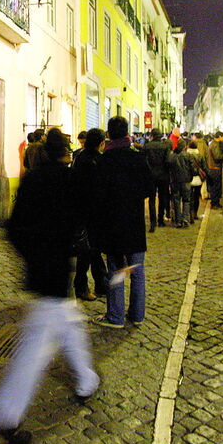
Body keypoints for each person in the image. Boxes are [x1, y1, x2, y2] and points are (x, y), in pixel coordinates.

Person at [0, 129, 100, 444]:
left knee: (71, 324)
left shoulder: (32, 180)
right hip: (54, 272)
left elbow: (13, 230)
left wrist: (32, 257)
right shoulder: (67, 181)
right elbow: (81, 219)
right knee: (35, 348)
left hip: (42, 271)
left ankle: (86, 379)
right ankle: (7, 414)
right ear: (65, 153)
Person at [92, 116, 152, 329]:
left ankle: (116, 316)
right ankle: (137, 315)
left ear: (108, 134)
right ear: (127, 133)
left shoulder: (104, 161)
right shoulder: (138, 157)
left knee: (116, 269)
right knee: (137, 270)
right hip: (134, 222)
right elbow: (148, 189)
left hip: (113, 224)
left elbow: (98, 194)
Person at [72, 128, 108, 299]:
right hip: (91, 212)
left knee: (91, 250)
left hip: (82, 210)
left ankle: (100, 284)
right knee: (87, 252)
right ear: (101, 143)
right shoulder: (97, 161)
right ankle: (83, 286)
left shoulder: (79, 157)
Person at [144, 128, 172, 231]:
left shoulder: (147, 147)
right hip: (163, 175)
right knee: (162, 197)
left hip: (151, 175)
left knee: (151, 199)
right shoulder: (165, 147)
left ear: (152, 135)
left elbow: (144, 161)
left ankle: (152, 222)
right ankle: (160, 220)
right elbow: (168, 161)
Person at [186, 140, 206, 223]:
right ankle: (195, 214)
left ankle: (189, 214)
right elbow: (204, 166)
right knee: (196, 197)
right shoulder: (200, 155)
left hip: (188, 178)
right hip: (198, 178)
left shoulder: (186, 155)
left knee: (189, 197)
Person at [206, 133, 223, 208]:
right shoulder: (215, 144)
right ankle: (215, 203)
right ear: (219, 137)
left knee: (214, 187)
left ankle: (215, 202)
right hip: (215, 168)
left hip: (213, 168)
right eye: (222, 137)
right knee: (215, 187)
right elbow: (217, 156)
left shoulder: (213, 143)